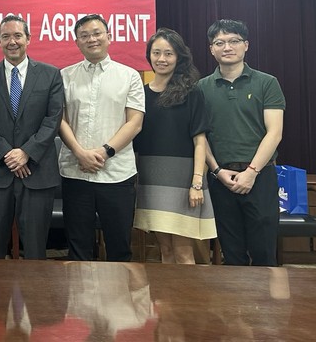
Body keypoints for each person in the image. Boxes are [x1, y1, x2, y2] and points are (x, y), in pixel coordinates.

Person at [0, 14, 64, 259]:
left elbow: (53, 119)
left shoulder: (50, 74)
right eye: (5, 36)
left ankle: (35, 289)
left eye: (17, 36)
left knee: (35, 251)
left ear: (28, 38)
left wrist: (26, 153)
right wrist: (8, 154)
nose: (12, 41)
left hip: (37, 174)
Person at [58, 14, 145, 261]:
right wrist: (80, 153)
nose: (91, 39)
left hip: (117, 173)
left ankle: (118, 289)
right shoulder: (64, 76)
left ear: (109, 37)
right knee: (78, 249)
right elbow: (59, 120)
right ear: (77, 42)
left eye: (97, 33)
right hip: (76, 172)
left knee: (119, 248)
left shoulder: (129, 76)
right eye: (84, 35)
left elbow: (135, 123)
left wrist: (105, 152)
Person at [199, 19, 285, 266]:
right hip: (221, 180)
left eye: (234, 41)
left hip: (260, 176)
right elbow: (200, 137)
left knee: (264, 253)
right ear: (211, 49)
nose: (227, 47)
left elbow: (274, 133)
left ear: (246, 45)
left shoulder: (267, 82)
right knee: (231, 255)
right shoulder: (201, 88)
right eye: (219, 43)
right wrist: (217, 171)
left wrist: (251, 172)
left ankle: (267, 295)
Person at [133, 28, 217, 263]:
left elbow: (200, 141)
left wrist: (196, 183)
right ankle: (167, 290)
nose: (162, 59)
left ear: (179, 57)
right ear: (149, 56)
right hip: (150, 178)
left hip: (183, 180)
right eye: (156, 53)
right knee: (165, 250)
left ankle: (186, 291)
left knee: (183, 252)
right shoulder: (140, 94)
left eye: (168, 53)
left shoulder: (192, 93)